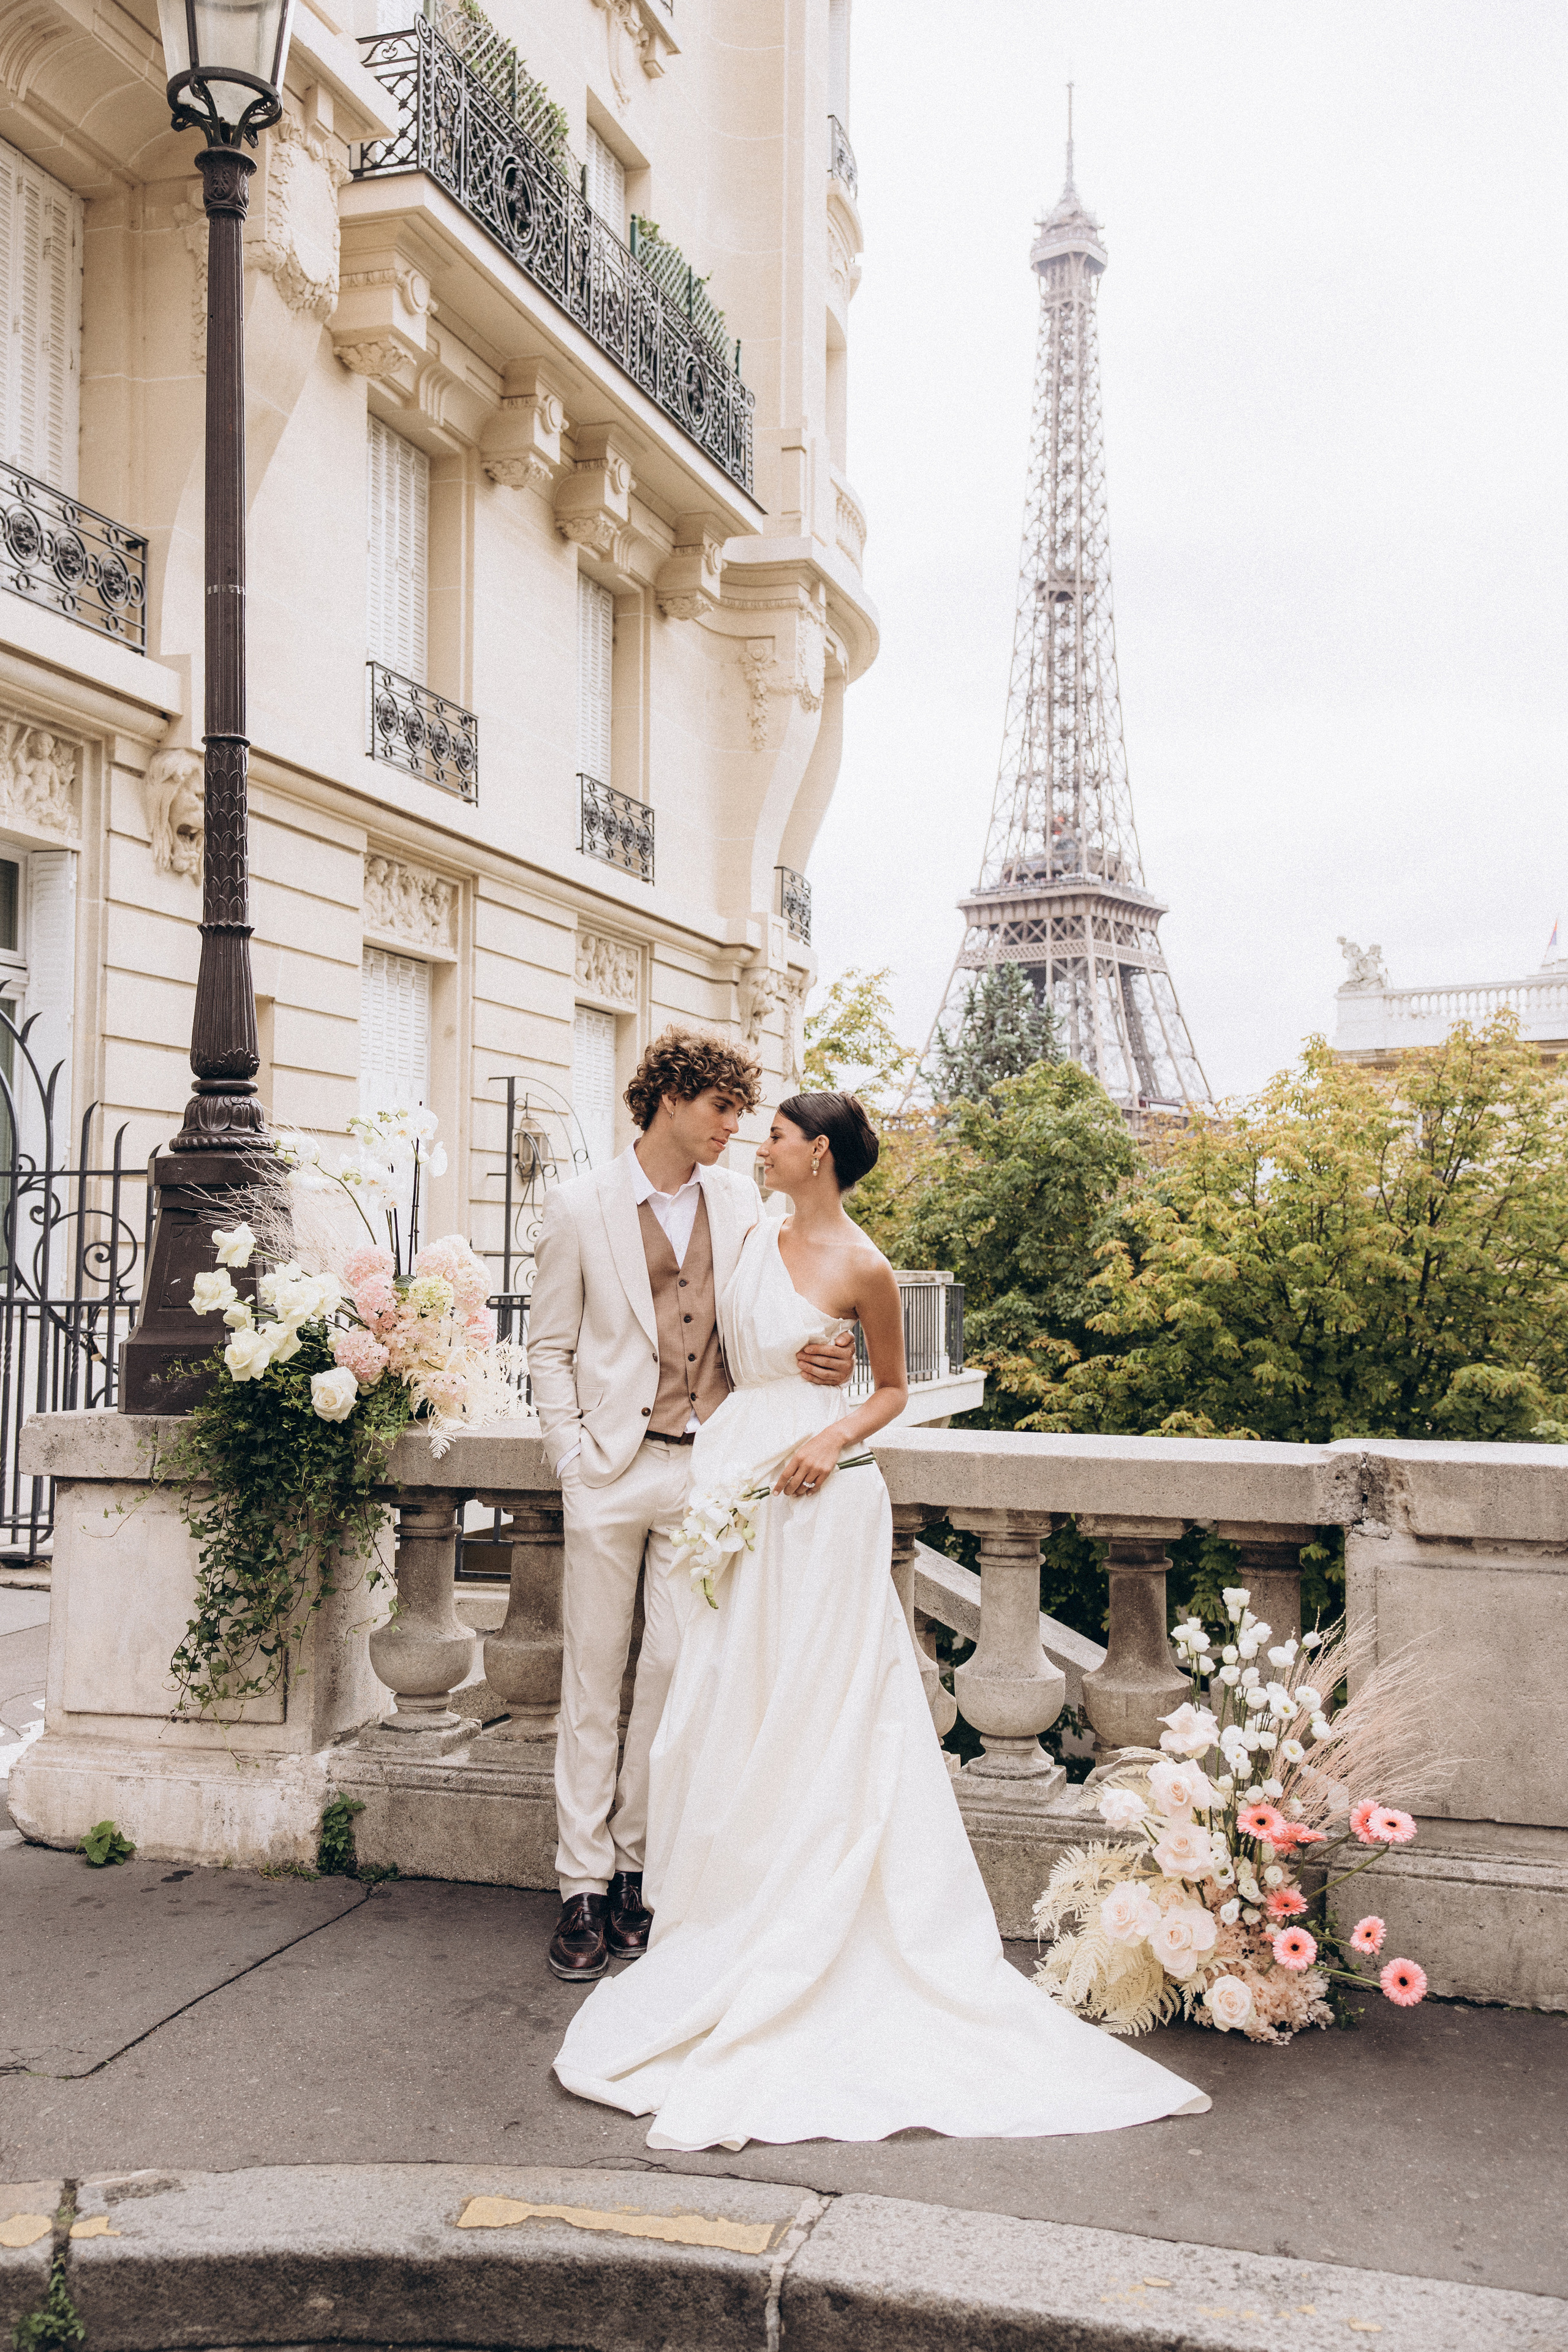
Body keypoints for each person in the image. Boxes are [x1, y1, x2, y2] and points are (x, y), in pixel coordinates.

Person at [552, 1090, 1209, 2150]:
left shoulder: (864, 1264)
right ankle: (726, 1908)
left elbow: (894, 1387)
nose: (756, 1143)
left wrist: (832, 1425)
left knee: (827, 1703)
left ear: (817, 1153)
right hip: (735, 1488)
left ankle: (823, 1914)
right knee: (728, 1701)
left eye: (773, 1133)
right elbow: (696, 1324)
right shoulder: (747, 1228)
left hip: (823, 1500)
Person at [526, 1028, 856, 1984]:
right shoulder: (579, 1206)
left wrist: (825, 1357)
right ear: (671, 1099)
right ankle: (579, 1887)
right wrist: (573, 1461)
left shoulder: (742, 1201)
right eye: (722, 1109)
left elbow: (769, 1315)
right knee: (592, 1683)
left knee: (673, 1672)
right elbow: (548, 1347)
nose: (735, 1129)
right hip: (613, 1469)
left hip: (709, 1469)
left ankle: (636, 1867)